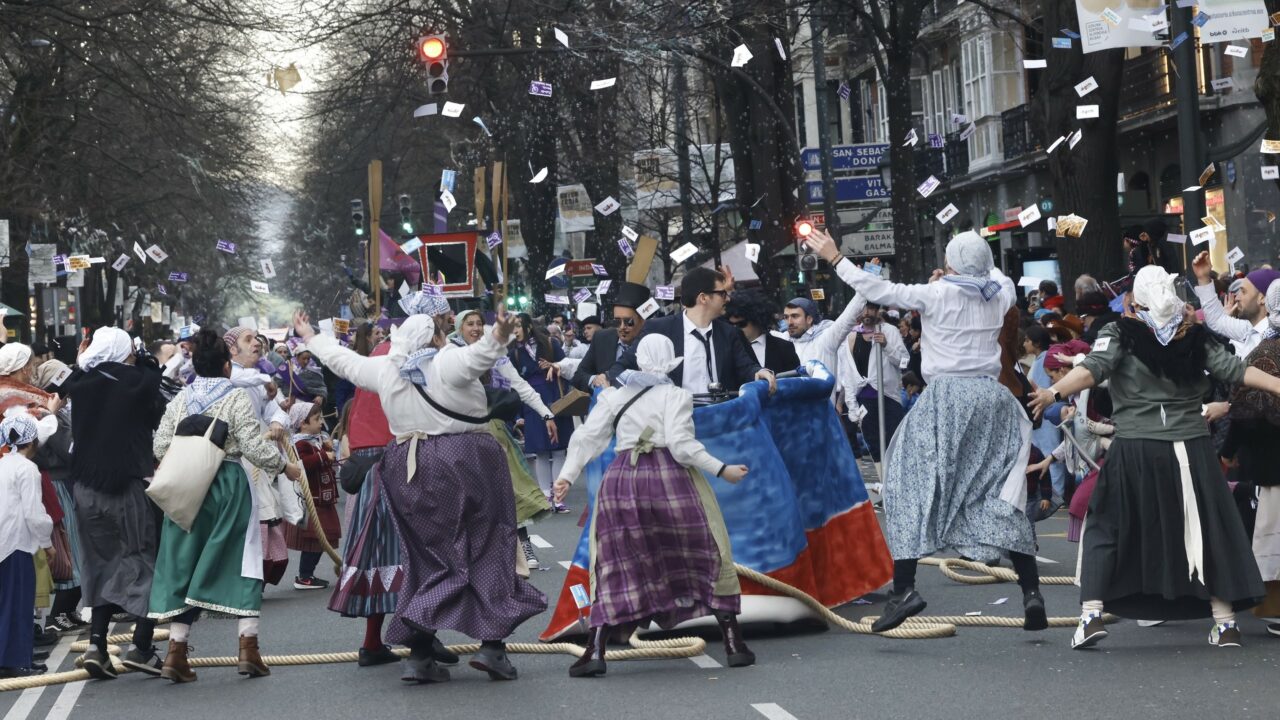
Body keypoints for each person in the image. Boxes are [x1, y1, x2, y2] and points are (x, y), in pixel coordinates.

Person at [805, 229, 1048, 633]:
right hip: (993, 399)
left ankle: (904, 589)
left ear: (950, 265)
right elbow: (995, 278)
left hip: (947, 398)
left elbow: (876, 287)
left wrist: (834, 257)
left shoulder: (934, 295)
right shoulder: (1001, 293)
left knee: (905, 486)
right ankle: (1031, 591)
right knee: (993, 493)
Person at [1029, 264, 1276, 650]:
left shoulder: (1119, 334)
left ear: (1135, 300)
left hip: (1136, 448)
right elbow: (1236, 370)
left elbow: (1093, 370)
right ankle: (1225, 623)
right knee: (1207, 529)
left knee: (1106, 525)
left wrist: (1053, 393)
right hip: (1191, 448)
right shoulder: (1194, 335)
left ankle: (1092, 615)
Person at [295, 305, 546, 684]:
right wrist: (498, 335)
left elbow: (343, 361)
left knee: (426, 555)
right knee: (490, 544)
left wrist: (312, 337)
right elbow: (476, 358)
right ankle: (492, 647)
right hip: (466, 458)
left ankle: (420, 652)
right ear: (436, 338)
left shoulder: (386, 369)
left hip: (408, 462)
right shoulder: (445, 362)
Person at [553, 335, 753, 677]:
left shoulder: (614, 396)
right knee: (707, 549)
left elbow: (587, 438)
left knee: (613, 561)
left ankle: (595, 650)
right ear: (670, 361)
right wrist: (722, 469)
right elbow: (680, 445)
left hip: (622, 481)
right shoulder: (676, 395)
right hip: (671, 480)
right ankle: (733, 641)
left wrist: (566, 476)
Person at [148, 329, 301, 682]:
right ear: (227, 365)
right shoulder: (235, 398)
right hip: (228, 484)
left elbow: (159, 447)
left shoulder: (181, 399)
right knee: (244, 560)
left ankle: (176, 653)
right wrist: (285, 467)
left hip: (185, 487)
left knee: (180, 562)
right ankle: (248, 649)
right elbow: (253, 446)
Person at [61, 327, 168, 679]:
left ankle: (97, 646)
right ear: (125, 351)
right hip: (123, 486)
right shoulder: (133, 381)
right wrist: (150, 362)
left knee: (100, 562)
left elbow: (77, 372)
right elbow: (154, 393)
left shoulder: (82, 382)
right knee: (139, 558)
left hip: (85, 488)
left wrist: (84, 358)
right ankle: (142, 645)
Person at [453, 310, 555, 571]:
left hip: (493, 431)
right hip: (459, 433)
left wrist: (546, 414)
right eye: (469, 324)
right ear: (459, 328)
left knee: (510, 489)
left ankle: (524, 545)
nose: (475, 328)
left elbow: (519, 385)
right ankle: (473, 555)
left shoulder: (495, 354)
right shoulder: (450, 355)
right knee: (467, 498)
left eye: (479, 324)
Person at [1219, 281, 1280, 636]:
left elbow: (1241, 411)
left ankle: (1274, 609)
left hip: (1270, 461)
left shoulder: (1262, 354)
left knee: (1274, 535)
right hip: (1271, 460)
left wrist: (1226, 453)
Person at [637, 267, 774, 394]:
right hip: (676, 416)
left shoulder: (729, 333)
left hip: (720, 414)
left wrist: (759, 372)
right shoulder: (659, 329)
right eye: (722, 293)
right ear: (703, 298)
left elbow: (746, 367)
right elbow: (624, 367)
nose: (728, 298)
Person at [31, 360, 86, 636]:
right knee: (69, 547)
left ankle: (66, 611)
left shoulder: (58, 411)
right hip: (55, 484)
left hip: (65, 481)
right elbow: (67, 448)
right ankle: (57, 613)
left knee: (75, 546)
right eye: (61, 390)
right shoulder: (43, 414)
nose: (66, 395)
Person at [0, 411, 56, 679]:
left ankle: (10, 658)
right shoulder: (27, 469)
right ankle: (16, 660)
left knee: (4, 604)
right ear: (32, 442)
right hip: (16, 544)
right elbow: (34, 512)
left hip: (3, 541)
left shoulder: (2, 465)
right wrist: (47, 542)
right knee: (19, 604)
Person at [509, 314, 575, 511]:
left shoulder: (550, 343)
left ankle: (558, 496)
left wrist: (555, 367)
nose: (515, 331)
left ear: (529, 326)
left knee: (559, 448)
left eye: (518, 326)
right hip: (532, 403)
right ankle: (546, 496)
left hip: (555, 398)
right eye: (513, 328)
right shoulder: (514, 352)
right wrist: (518, 414)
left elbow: (568, 367)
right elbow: (514, 385)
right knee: (541, 451)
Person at [838, 300, 908, 462]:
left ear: (877, 310)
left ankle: (894, 481)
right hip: (864, 399)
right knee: (873, 446)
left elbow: (904, 361)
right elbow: (848, 375)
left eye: (870, 308)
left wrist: (886, 345)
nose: (866, 313)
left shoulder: (890, 331)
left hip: (888, 397)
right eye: (863, 309)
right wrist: (851, 404)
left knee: (894, 443)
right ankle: (883, 482)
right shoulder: (851, 336)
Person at [285, 401, 341, 591]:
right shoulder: (299, 443)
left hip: (322, 498)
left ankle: (307, 575)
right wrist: (324, 456)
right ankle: (304, 576)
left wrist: (329, 452)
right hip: (313, 499)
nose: (321, 423)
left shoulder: (317, 439)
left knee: (321, 540)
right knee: (314, 540)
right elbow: (303, 464)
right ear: (303, 423)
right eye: (317, 419)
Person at [571, 282, 653, 391]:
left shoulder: (653, 344)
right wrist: (595, 380)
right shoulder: (602, 338)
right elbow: (579, 376)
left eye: (628, 322)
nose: (622, 327)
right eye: (617, 322)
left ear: (642, 321)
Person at [725, 290, 800, 375]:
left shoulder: (784, 347)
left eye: (741, 324)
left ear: (757, 321)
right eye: (731, 325)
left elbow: (794, 382)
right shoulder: (728, 349)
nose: (735, 329)